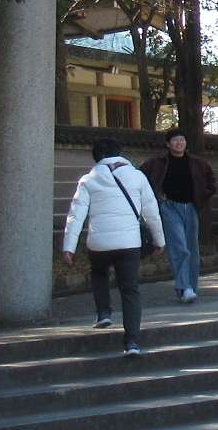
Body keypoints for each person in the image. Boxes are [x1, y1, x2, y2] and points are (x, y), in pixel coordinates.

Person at [61, 137, 165, 356]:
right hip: (129, 244)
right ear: (120, 153)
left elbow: (75, 215)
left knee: (98, 272)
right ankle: (132, 343)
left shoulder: (88, 180)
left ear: (96, 156)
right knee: (130, 290)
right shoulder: (137, 177)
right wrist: (159, 240)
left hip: (99, 242)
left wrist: (68, 246)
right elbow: (151, 213)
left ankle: (103, 312)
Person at [141, 127, 214, 304]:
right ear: (168, 143)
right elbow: (141, 178)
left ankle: (190, 287)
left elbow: (211, 183)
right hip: (169, 207)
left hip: (191, 207)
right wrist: (157, 198)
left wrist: (201, 196)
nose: (179, 143)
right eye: (175, 140)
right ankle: (184, 287)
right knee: (179, 247)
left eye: (182, 139)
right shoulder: (157, 163)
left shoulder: (198, 163)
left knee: (193, 249)